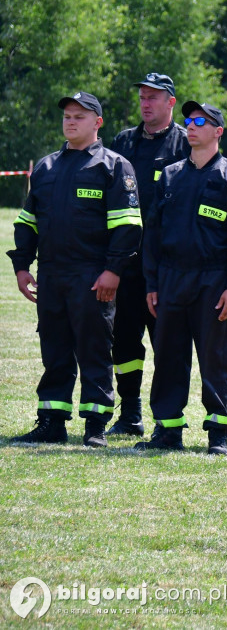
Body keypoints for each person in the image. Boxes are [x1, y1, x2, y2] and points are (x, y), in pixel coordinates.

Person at [7, 92, 142, 447]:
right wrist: (22, 266)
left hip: (92, 276)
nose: (70, 121)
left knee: (95, 349)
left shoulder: (114, 167)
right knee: (54, 350)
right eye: (67, 115)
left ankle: (95, 425)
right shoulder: (47, 167)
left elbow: (128, 226)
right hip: (51, 276)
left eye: (79, 116)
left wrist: (113, 271)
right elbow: (27, 222)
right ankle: (51, 422)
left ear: (98, 123)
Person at [135, 102, 227, 455]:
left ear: (218, 131)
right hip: (172, 279)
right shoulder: (170, 175)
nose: (191, 126)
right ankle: (168, 429)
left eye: (201, 121)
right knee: (169, 357)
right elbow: (153, 235)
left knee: (215, 358)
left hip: (214, 280)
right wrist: (153, 284)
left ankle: (218, 431)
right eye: (188, 120)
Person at [106, 72, 191, 437]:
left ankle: (167, 421)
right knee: (124, 341)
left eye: (154, 97)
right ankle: (131, 414)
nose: (146, 102)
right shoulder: (124, 141)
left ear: (170, 102)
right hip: (126, 263)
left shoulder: (186, 144)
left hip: (167, 267)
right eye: (142, 96)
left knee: (167, 344)